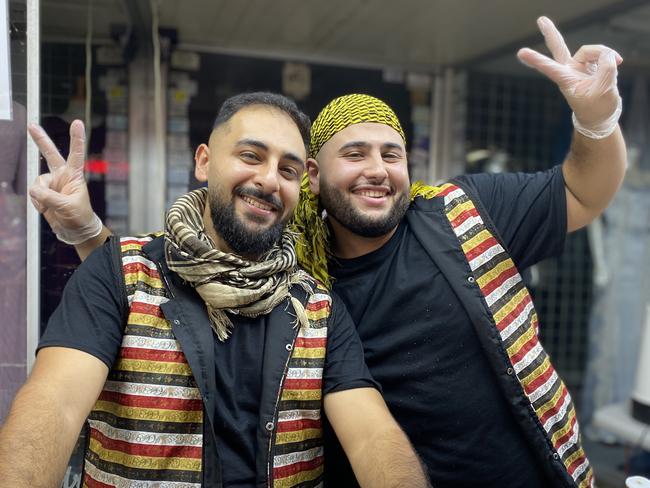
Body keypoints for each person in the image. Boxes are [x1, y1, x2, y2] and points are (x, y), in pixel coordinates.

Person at [25, 17, 624, 488]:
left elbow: (582, 190)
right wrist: (86, 234)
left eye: (392, 154)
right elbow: (158, 290)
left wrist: (597, 120)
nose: (377, 170)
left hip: (548, 469)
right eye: (355, 153)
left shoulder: (456, 215)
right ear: (317, 177)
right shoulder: (302, 278)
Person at [0, 93, 430, 487]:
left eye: (288, 169)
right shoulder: (121, 272)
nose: (268, 180)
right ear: (204, 162)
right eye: (250, 155)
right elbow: (54, 405)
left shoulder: (316, 308)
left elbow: (373, 437)